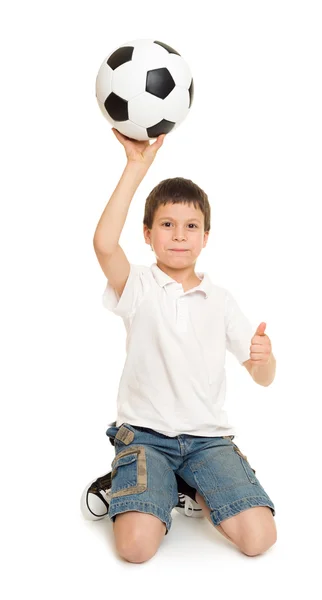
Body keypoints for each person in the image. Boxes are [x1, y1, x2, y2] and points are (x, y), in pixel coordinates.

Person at [84, 128, 277, 563]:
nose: (179, 235)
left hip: (207, 441)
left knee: (259, 539)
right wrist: (137, 165)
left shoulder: (221, 300)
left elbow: (262, 376)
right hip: (147, 437)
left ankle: (188, 484)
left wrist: (265, 359)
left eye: (191, 227)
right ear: (148, 233)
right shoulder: (138, 287)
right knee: (135, 549)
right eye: (167, 225)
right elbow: (102, 244)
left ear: (206, 237)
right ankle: (129, 477)